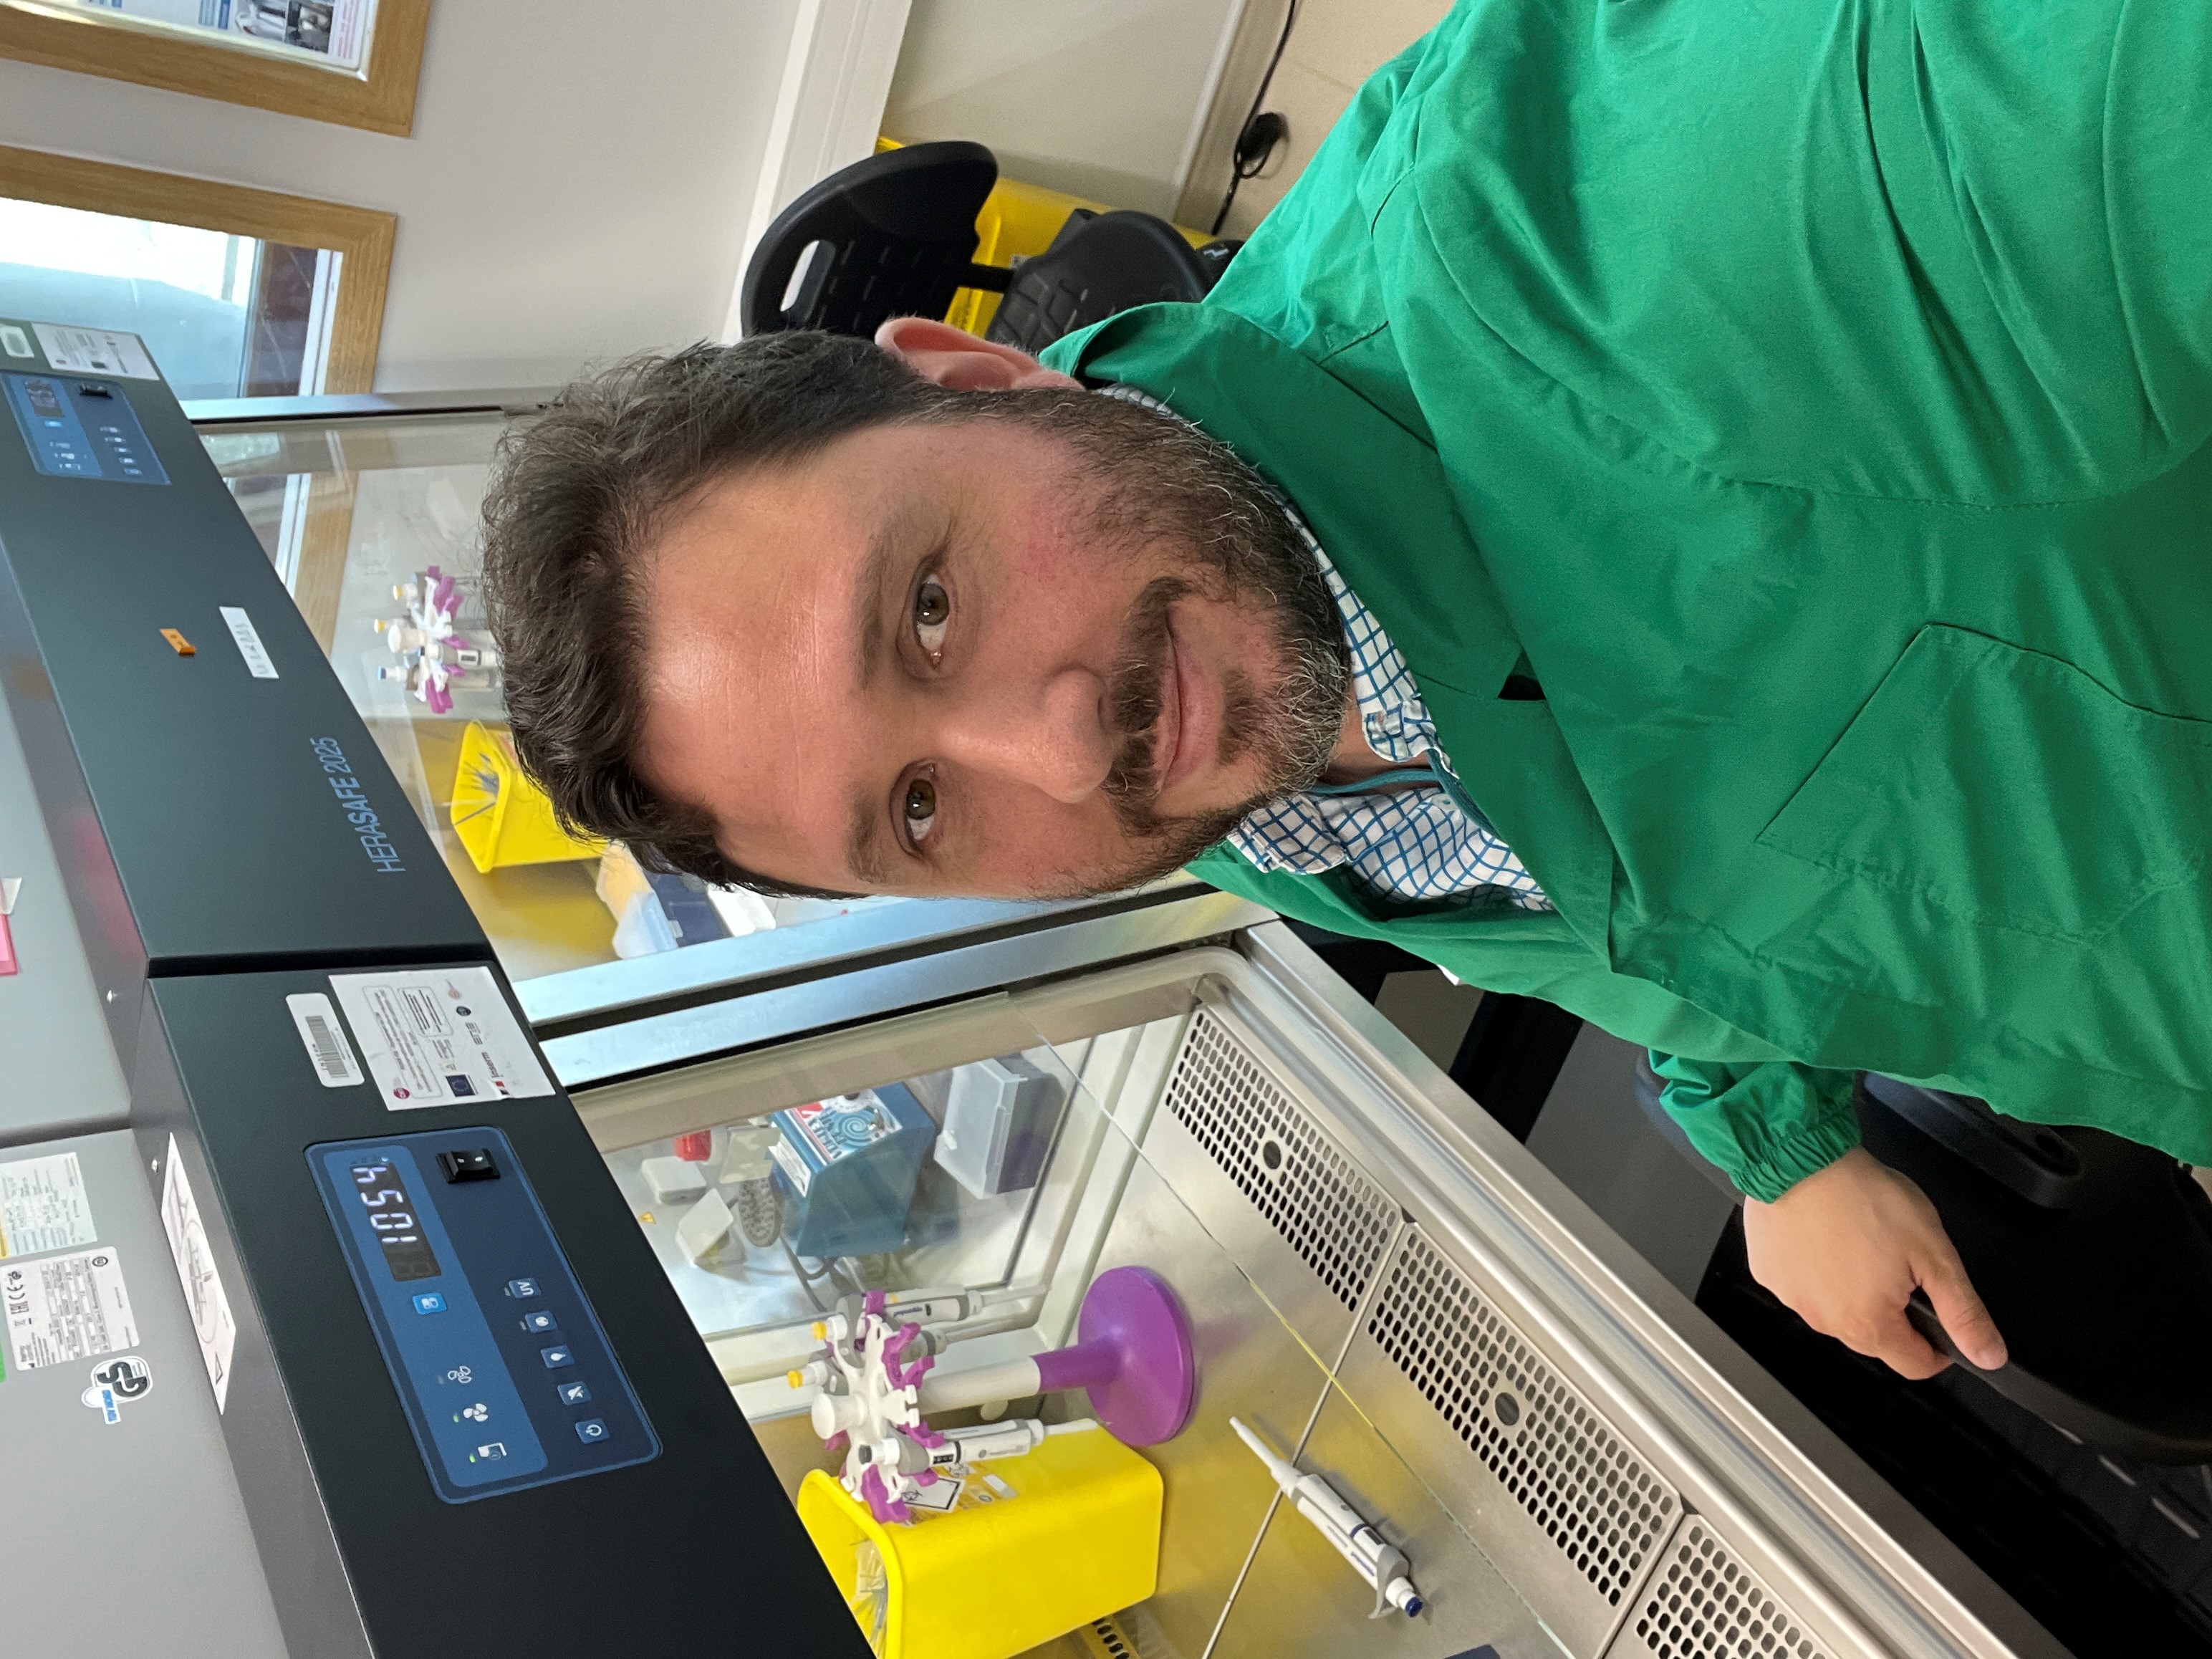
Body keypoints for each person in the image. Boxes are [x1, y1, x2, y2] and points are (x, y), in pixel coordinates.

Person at [479, 0, 2212, 1384]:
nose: (1056, 747)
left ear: (978, 379)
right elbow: (1628, 874)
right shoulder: (1253, 788)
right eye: (919, 809)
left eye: (928, 608)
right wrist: (1776, 1138)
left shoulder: (1630, 206)